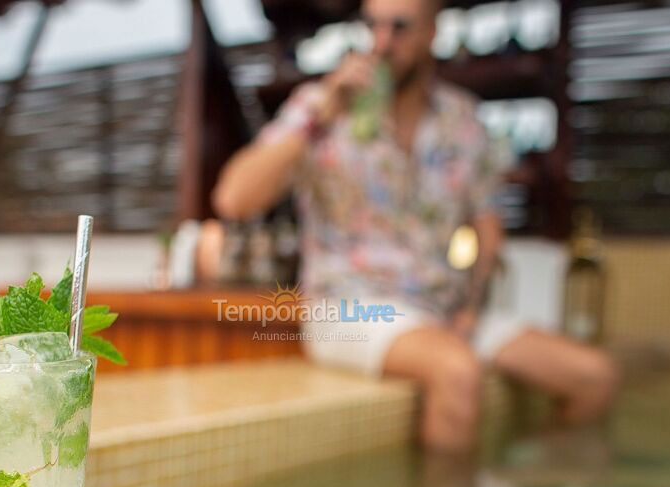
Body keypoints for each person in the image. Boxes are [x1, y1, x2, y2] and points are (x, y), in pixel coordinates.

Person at [213, 0, 617, 454]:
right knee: (457, 370)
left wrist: (471, 306)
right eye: (373, 26)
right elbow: (234, 200)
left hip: (441, 308)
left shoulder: (462, 120)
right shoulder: (320, 106)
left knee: (593, 376)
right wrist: (322, 111)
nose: (382, 42)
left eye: (400, 28)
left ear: (432, 33)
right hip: (350, 307)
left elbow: (488, 228)